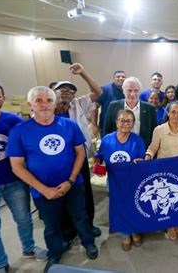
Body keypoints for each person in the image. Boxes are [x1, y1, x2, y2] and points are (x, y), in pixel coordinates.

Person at [7, 86, 98, 273]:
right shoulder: (20, 131)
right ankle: (55, 252)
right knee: (52, 225)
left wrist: (71, 180)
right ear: (30, 104)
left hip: (73, 185)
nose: (44, 105)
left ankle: (88, 242)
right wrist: (43, 189)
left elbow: (80, 153)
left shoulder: (69, 125)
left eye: (49, 100)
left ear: (55, 103)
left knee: (80, 217)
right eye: (38, 100)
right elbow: (17, 166)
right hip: (43, 191)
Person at [0, 81, 46, 273]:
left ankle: (29, 247)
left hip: (14, 182)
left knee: (24, 218)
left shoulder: (13, 122)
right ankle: (0, 264)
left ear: (3, 98)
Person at [53, 63, 103, 238]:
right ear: (54, 93)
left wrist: (83, 73)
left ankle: (88, 225)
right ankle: (68, 231)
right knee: (62, 195)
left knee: (85, 194)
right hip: (57, 162)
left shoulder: (78, 104)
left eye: (70, 90)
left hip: (79, 157)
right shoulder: (47, 109)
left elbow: (98, 92)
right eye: (62, 90)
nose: (66, 92)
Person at [95, 109, 145, 251]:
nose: (125, 124)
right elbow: (101, 157)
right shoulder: (107, 140)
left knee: (134, 206)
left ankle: (135, 231)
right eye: (122, 120)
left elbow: (142, 161)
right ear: (116, 122)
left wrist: (140, 161)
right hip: (114, 182)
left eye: (129, 121)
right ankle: (125, 234)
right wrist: (98, 162)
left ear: (133, 124)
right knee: (120, 208)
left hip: (133, 181)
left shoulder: (138, 141)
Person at [145, 102, 178, 240]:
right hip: (164, 173)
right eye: (173, 112)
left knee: (177, 199)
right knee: (166, 199)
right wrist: (147, 157)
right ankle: (170, 226)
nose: (176, 115)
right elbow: (152, 148)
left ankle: (175, 222)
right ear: (168, 113)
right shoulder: (159, 130)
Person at [103, 77, 157, 147]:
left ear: (140, 92)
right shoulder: (113, 106)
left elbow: (154, 134)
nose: (132, 94)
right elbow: (107, 130)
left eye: (136, 91)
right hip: (117, 150)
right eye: (129, 90)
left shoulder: (150, 109)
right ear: (123, 91)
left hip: (142, 150)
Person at [91, 70, 126, 138]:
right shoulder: (105, 89)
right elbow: (94, 107)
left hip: (123, 127)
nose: (121, 78)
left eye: (123, 77)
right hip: (106, 126)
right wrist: (94, 125)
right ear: (113, 79)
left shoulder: (127, 90)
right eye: (118, 77)